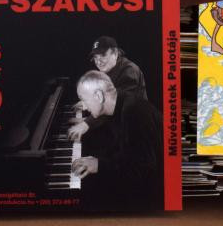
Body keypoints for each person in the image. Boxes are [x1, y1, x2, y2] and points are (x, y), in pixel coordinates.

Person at [70, 71, 161, 207]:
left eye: (84, 99)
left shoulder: (133, 113)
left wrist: (99, 165)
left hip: (155, 187)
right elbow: (126, 150)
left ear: (99, 96)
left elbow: (144, 170)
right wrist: (96, 160)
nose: (84, 106)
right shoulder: (119, 101)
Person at [68, 37, 146, 141]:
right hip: (118, 124)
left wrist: (86, 123)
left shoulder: (129, 72)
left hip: (134, 132)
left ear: (115, 53)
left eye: (103, 56)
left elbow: (115, 104)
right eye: (95, 57)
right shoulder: (110, 68)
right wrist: (86, 103)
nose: (98, 62)